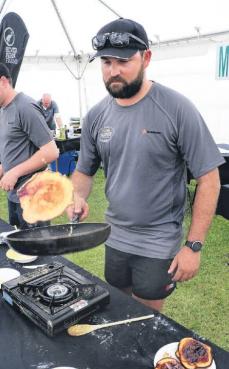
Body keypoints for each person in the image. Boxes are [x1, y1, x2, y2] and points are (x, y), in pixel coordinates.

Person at [67, 18, 224, 312]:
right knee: (117, 304)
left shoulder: (177, 109)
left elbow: (209, 178)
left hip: (158, 239)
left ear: (146, 58)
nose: (113, 71)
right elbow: (84, 171)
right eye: (106, 62)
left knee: (146, 316)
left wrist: (193, 246)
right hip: (114, 234)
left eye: (124, 61)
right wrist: (77, 196)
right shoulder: (96, 116)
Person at [0, 63, 59, 229]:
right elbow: (15, 147)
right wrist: (4, 168)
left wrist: (14, 172)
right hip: (14, 196)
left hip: (34, 197)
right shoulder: (3, 109)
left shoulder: (25, 107)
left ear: (3, 81)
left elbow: (51, 152)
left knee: (38, 252)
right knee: (17, 250)